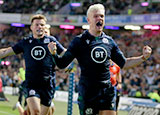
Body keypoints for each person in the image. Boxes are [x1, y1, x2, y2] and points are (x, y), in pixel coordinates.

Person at [48, 3, 152, 115]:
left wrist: (143, 58)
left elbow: (124, 63)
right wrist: (53, 54)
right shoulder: (79, 41)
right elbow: (62, 64)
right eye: (96, 16)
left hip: (107, 91)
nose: (100, 19)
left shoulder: (109, 42)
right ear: (89, 20)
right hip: (88, 92)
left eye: (102, 16)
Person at [0, 14, 66, 115]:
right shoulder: (26, 42)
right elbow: (6, 51)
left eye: (42, 25)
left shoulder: (52, 41)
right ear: (31, 27)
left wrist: (80, 55)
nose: (40, 27)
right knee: (35, 112)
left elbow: (66, 53)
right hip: (32, 84)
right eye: (37, 25)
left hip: (48, 85)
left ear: (45, 27)